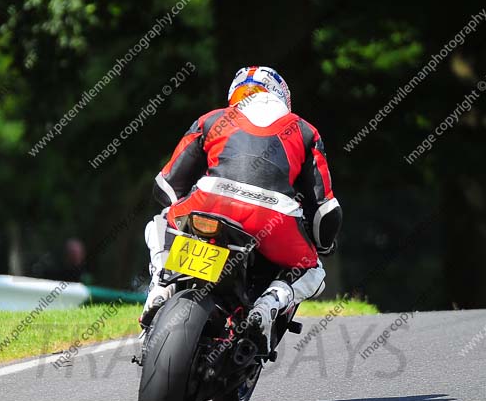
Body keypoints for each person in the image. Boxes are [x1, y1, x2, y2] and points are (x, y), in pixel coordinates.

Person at [140, 66, 343, 345]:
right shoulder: (306, 131)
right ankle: (270, 303)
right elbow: (325, 209)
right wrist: (323, 244)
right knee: (313, 268)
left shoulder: (213, 119)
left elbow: (166, 184)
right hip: (274, 220)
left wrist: (184, 213)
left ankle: (161, 285)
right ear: (281, 97)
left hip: (209, 203)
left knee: (159, 223)